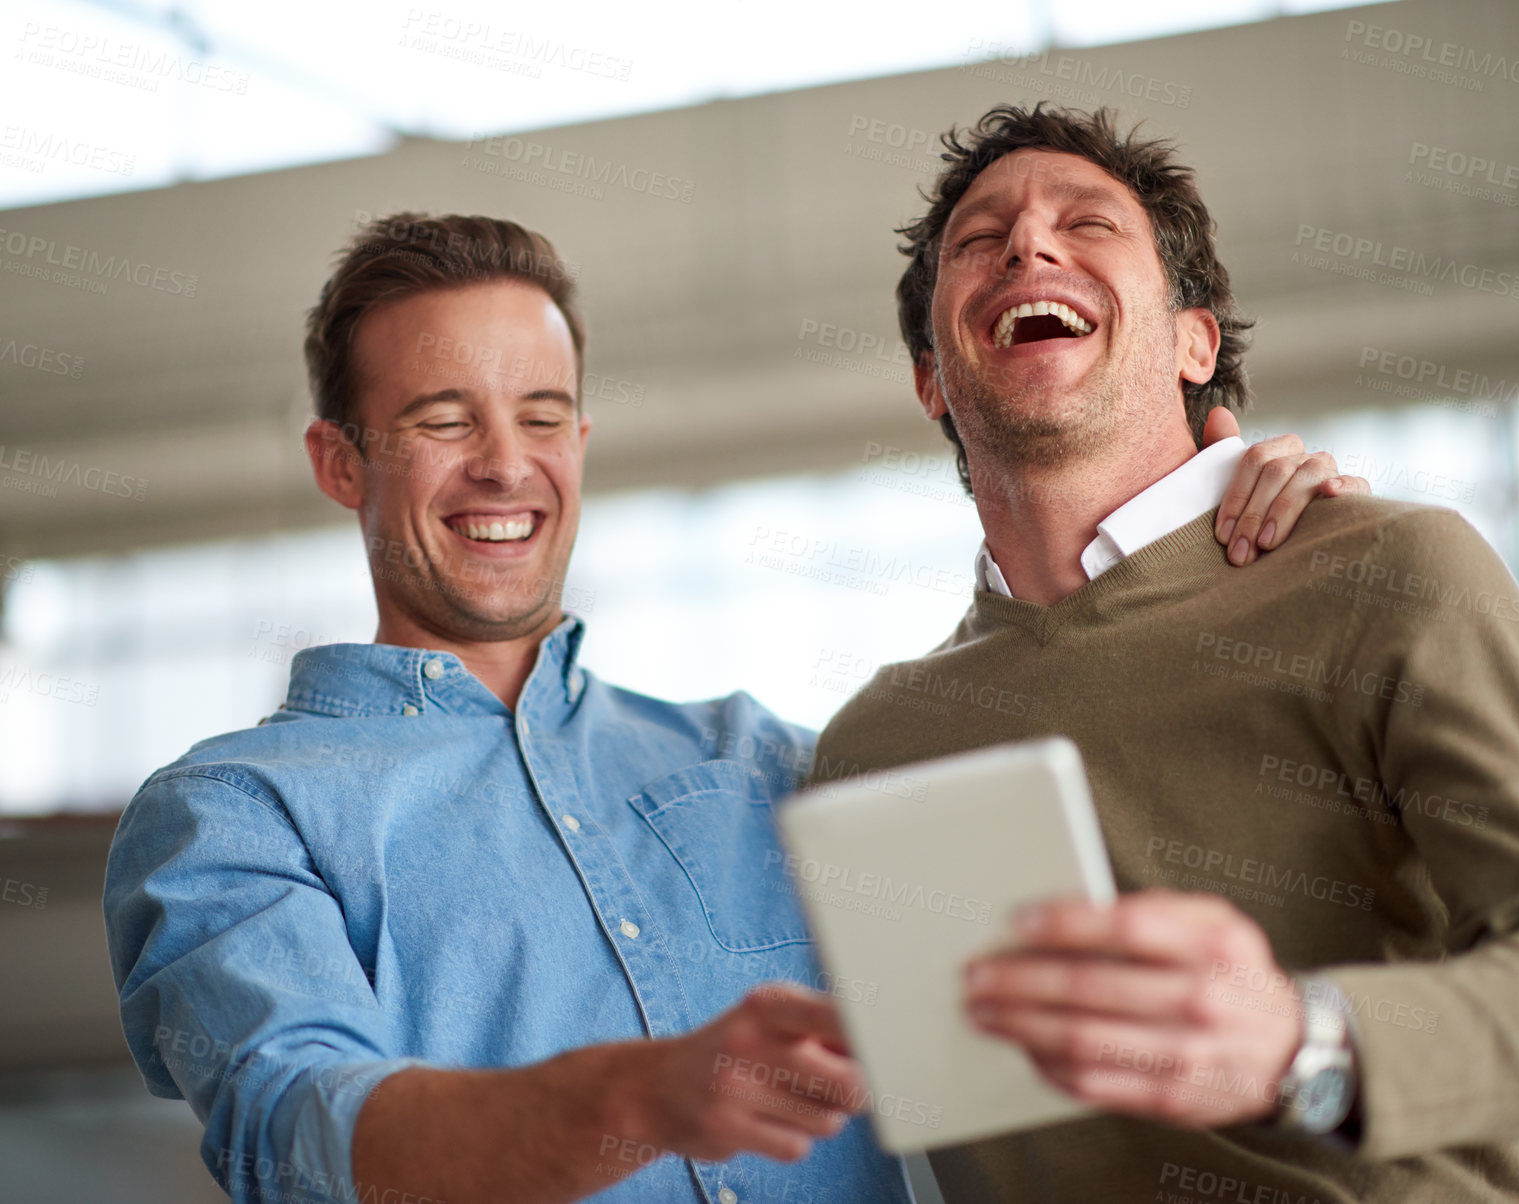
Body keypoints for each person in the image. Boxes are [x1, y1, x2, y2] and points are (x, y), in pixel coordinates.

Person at [103, 212, 1360, 1204]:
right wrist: (638, 1098)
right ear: (341, 463)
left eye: (541, 416)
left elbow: (1082, 900)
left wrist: (1219, 551)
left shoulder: (768, 763)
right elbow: (306, 1134)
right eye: (442, 420)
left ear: (579, 441)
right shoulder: (233, 814)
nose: (504, 463)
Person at [810, 102, 1519, 1203]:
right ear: (932, 375)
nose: (1027, 244)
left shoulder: (1389, 574)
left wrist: (1299, 1045)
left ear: (1190, 341)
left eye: (1086, 222)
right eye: (981, 240)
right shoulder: (869, 748)